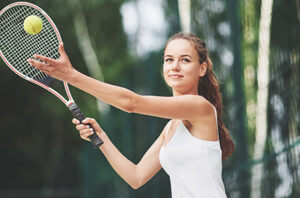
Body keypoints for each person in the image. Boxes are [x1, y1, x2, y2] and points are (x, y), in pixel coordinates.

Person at [28, 32, 235, 197]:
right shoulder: (172, 126)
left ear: (202, 68)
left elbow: (130, 103)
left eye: (185, 60)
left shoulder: (200, 106)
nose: (175, 66)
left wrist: (71, 76)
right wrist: (101, 138)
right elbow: (136, 177)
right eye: (169, 59)